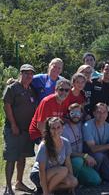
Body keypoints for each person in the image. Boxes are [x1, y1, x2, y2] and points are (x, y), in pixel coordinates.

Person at [2, 64, 37, 194]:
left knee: (22, 157)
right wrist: (13, 125)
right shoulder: (12, 88)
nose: (29, 76)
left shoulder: (31, 90)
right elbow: (7, 106)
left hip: (26, 131)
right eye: (26, 73)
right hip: (13, 129)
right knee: (11, 157)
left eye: (31, 74)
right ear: (20, 74)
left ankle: (19, 183)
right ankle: (8, 187)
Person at [30, 117, 78, 195]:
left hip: (56, 173)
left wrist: (72, 186)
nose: (56, 130)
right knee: (63, 170)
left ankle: (43, 189)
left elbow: (68, 163)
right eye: (53, 128)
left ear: (63, 128)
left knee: (73, 181)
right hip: (38, 175)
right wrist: (46, 192)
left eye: (58, 127)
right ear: (49, 130)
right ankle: (47, 191)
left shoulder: (66, 142)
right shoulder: (44, 145)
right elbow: (41, 170)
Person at [62, 103, 101, 186]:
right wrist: (85, 156)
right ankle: (70, 180)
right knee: (78, 161)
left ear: (82, 114)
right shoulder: (64, 129)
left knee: (96, 180)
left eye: (78, 113)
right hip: (69, 161)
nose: (75, 116)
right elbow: (67, 153)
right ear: (68, 114)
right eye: (73, 113)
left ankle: (78, 180)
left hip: (81, 159)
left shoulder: (82, 125)